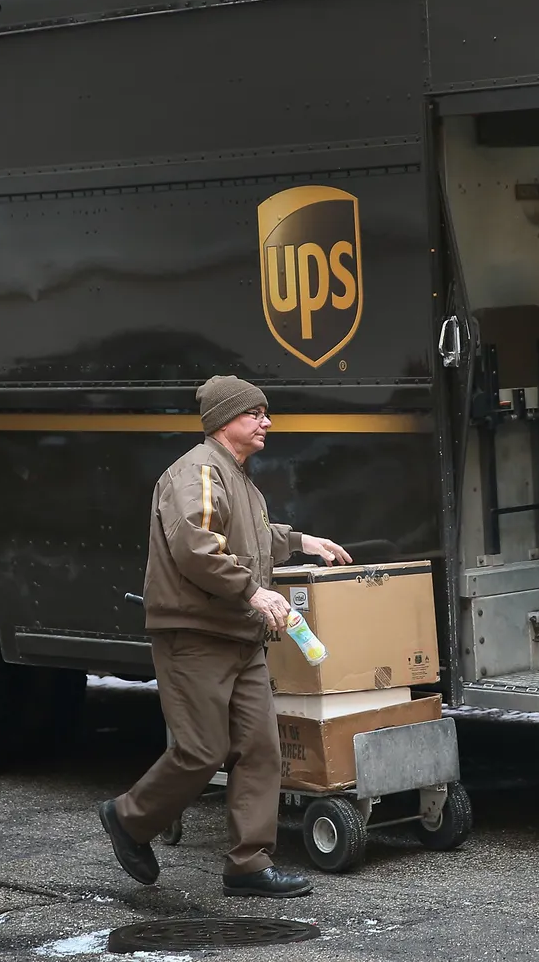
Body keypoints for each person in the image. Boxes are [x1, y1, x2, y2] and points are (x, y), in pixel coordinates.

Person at [98, 374, 351, 898]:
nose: (267, 422)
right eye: (255, 413)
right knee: (202, 750)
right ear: (224, 421)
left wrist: (304, 541)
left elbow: (253, 540)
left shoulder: (238, 478)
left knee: (260, 750)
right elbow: (197, 549)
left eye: (265, 413)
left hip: (239, 635)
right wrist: (254, 594)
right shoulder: (198, 472)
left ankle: (248, 864)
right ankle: (128, 819)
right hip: (196, 635)